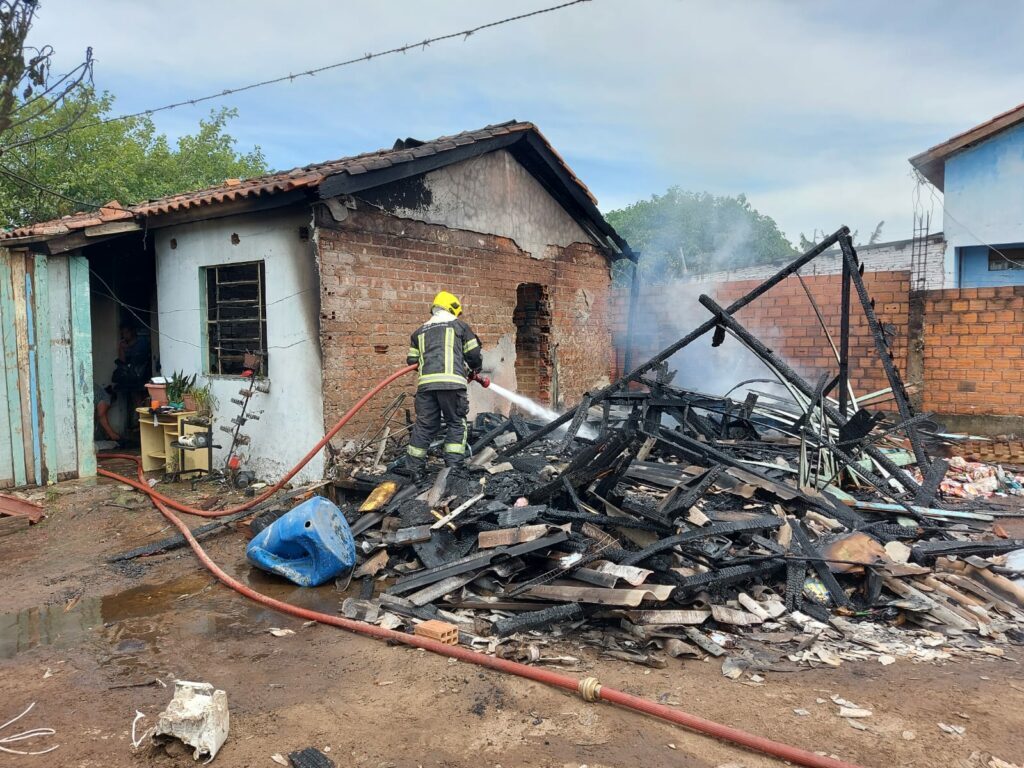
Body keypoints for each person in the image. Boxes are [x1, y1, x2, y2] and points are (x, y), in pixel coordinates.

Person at [405, 291, 483, 475]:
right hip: (452, 385)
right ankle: (453, 469)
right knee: (456, 423)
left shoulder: (418, 332)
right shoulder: (460, 327)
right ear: (452, 308)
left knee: (424, 425)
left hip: (426, 387)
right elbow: (473, 355)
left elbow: (411, 361)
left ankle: (414, 469)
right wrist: (474, 369)